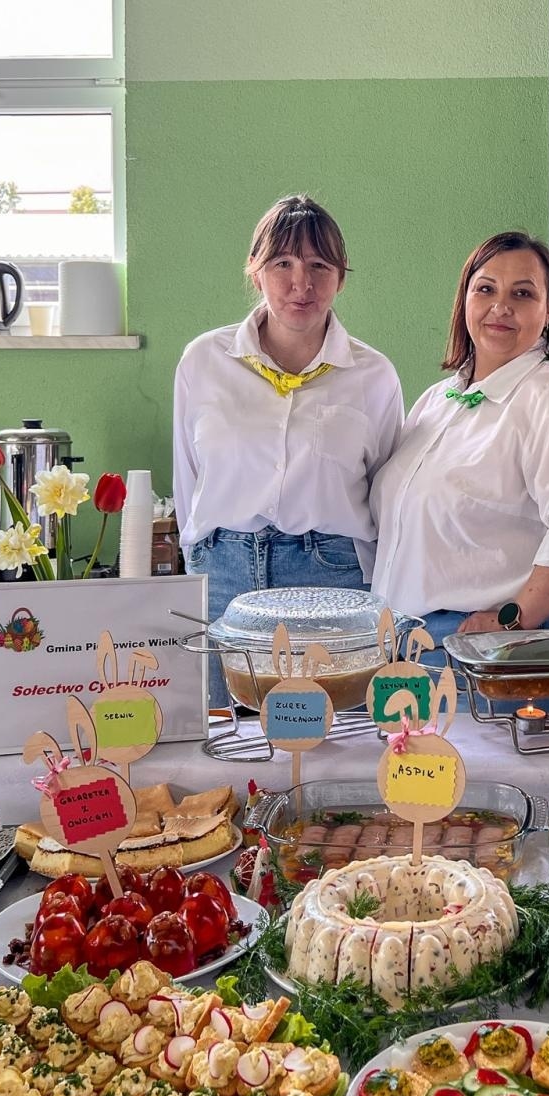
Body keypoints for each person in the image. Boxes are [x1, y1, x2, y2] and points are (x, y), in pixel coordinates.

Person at [174, 195, 403, 711]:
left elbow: (390, 494)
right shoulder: (204, 361)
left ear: (341, 278)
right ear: (256, 272)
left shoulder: (373, 375)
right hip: (225, 570)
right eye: (283, 264)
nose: (302, 283)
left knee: (332, 745)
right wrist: (198, 564)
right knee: (225, 739)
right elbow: (187, 477)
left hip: (332, 577)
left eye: (320, 266)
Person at [370, 232, 549, 651]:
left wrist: (514, 618)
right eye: (485, 289)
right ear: (465, 299)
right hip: (403, 644)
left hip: (482, 648)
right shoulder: (438, 401)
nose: (500, 307)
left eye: (522, 293)